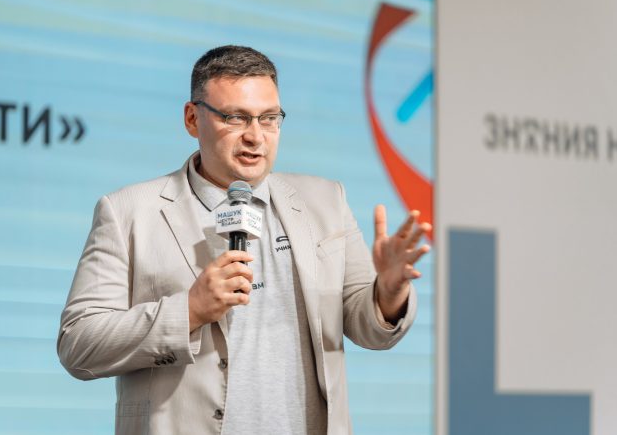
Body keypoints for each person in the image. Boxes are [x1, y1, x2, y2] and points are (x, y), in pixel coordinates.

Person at [57, 45, 431, 435]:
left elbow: (369, 329)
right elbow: (78, 345)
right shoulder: (129, 212)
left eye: (269, 119)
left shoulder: (325, 201)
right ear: (192, 118)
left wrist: (388, 293)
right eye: (235, 118)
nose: (255, 137)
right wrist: (189, 311)